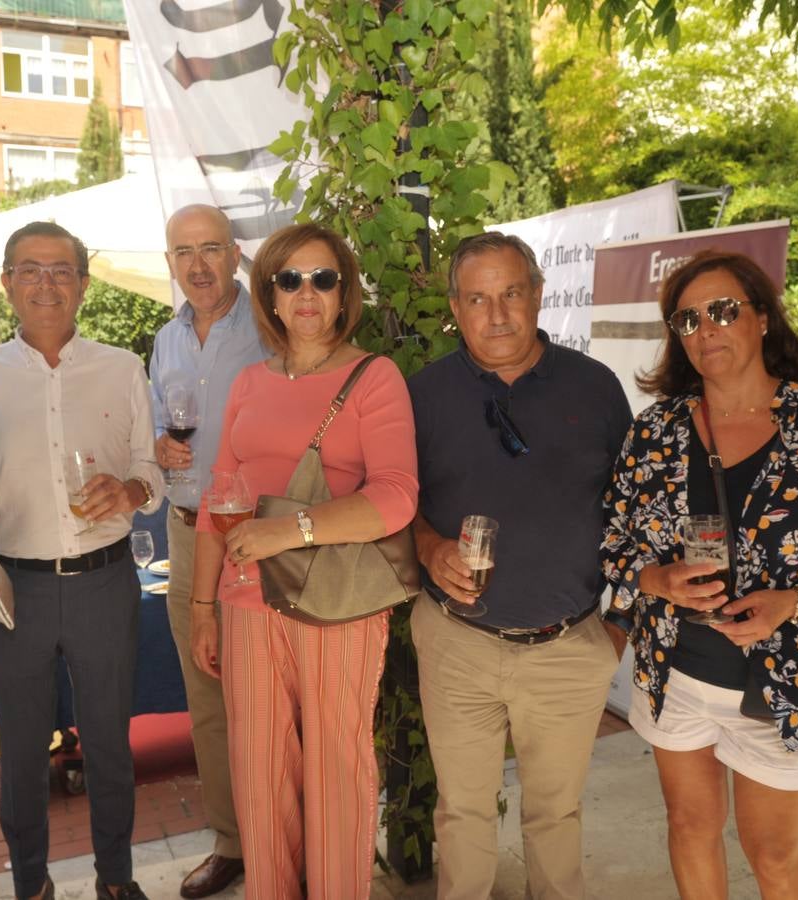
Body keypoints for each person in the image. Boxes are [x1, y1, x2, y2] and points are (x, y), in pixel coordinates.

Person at [601, 250, 798, 899]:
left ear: (764, 317)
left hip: (788, 681)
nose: (704, 330)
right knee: (689, 827)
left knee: (774, 857)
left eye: (721, 311)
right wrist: (654, 581)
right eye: (686, 320)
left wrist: (795, 601)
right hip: (676, 671)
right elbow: (612, 539)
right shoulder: (655, 433)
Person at [189, 222, 418, 900]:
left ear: (344, 292)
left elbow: (397, 497)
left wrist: (289, 533)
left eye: (323, 278)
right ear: (270, 294)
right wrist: (203, 606)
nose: (306, 292)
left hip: (335, 603)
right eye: (290, 279)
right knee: (259, 777)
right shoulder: (249, 383)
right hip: (244, 604)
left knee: (336, 775)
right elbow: (218, 499)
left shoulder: (373, 377)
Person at [407, 232, 630, 899]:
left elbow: (638, 512)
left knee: (555, 817)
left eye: (510, 294)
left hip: (568, 644)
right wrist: (428, 546)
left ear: (537, 295)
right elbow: (396, 504)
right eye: (478, 298)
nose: (496, 314)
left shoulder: (594, 388)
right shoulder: (422, 395)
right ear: (455, 307)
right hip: (456, 642)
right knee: (463, 815)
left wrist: (616, 628)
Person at [0, 221, 163, 900]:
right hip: (14, 586)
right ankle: (31, 885)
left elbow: (150, 468)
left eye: (60, 270)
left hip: (104, 581)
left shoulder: (122, 367)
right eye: (29, 269)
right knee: (22, 753)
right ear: (7, 283)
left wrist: (131, 489)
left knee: (111, 743)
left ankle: (116, 879)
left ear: (82, 283)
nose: (45, 283)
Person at [148, 204, 268, 898]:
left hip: (258, 531)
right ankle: (232, 842)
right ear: (170, 262)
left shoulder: (271, 328)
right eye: (183, 252)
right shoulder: (164, 340)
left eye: (210, 249)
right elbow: (160, 434)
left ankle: (290, 830)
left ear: (234, 254)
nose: (197, 264)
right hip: (188, 529)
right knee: (207, 694)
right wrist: (158, 450)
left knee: (277, 693)